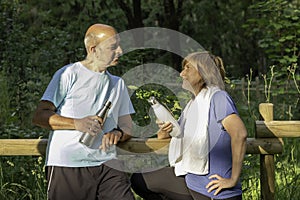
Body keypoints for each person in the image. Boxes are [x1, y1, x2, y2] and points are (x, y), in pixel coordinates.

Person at [32, 23, 136, 200]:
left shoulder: (118, 83)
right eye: (113, 47)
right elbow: (40, 116)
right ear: (93, 49)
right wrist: (77, 123)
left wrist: (117, 133)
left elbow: (127, 127)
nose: (120, 51)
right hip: (68, 164)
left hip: (108, 163)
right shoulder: (68, 74)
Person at [131, 52, 247, 200]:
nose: (181, 74)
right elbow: (166, 136)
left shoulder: (218, 98)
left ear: (204, 72)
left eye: (187, 68)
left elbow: (240, 134)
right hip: (191, 181)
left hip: (214, 191)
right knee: (140, 180)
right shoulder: (193, 105)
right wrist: (165, 129)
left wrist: (233, 179)